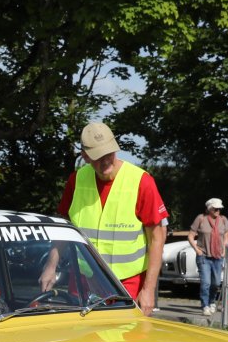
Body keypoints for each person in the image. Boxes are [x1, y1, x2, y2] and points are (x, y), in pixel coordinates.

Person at [50, 121, 168, 315]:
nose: (105, 161)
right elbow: (64, 229)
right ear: (85, 156)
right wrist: (50, 266)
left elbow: (157, 238)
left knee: (125, 335)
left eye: (109, 154)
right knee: (82, 335)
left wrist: (148, 289)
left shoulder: (141, 181)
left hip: (127, 285)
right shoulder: (76, 181)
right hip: (82, 282)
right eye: (98, 157)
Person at [190, 197, 228, 314]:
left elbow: (226, 237)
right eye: (215, 209)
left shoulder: (223, 219)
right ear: (209, 209)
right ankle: (205, 305)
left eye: (219, 209)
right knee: (206, 282)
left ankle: (212, 301)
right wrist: (197, 249)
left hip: (218, 256)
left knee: (216, 283)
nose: (218, 211)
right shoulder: (201, 218)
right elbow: (190, 236)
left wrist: (224, 251)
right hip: (204, 256)